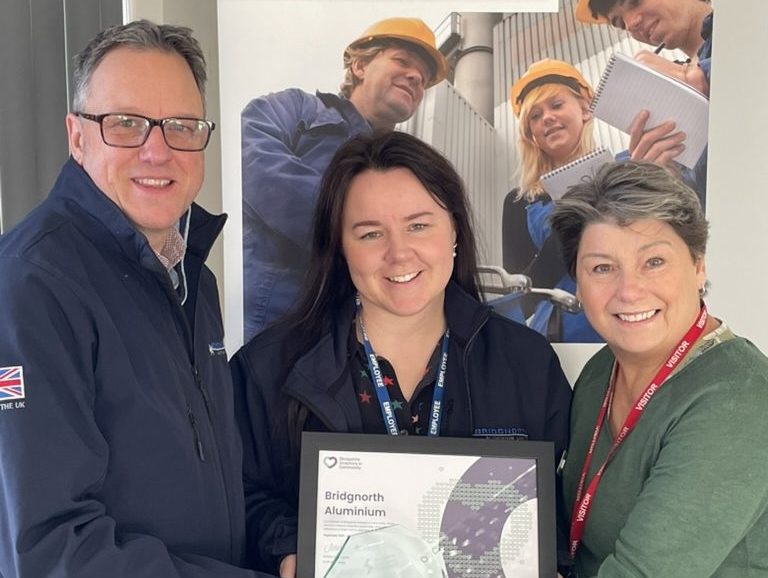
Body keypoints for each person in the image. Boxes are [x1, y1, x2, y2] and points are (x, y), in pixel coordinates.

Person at [231, 131, 574, 577]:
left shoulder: (527, 362)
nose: (398, 254)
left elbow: (560, 511)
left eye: (418, 225)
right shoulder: (269, 367)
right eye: (371, 233)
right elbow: (240, 493)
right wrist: (292, 547)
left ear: (453, 229)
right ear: (339, 246)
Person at [0, 20, 273, 578]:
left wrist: (283, 544)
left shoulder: (192, 278)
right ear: (77, 137)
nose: (158, 150)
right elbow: (51, 551)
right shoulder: (30, 285)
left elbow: (218, 477)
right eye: (125, 124)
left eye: (181, 125)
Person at [550, 161, 768, 577]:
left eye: (653, 262)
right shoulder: (601, 373)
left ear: (698, 266)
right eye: (602, 268)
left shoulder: (739, 398)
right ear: (578, 283)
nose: (629, 290)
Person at [240, 17, 449, 340]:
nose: (415, 78)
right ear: (360, 66)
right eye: (403, 61)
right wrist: (351, 226)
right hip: (277, 319)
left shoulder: (410, 164)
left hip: (357, 335)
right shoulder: (297, 110)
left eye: (422, 78)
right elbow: (252, 158)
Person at [576, 0, 712, 205]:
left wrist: (692, 77)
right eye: (620, 23)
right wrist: (670, 183)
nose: (630, 24)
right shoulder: (672, 98)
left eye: (633, 1)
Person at [506, 59, 604, 342]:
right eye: (535, 116)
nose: (547, 117)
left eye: (556, 105)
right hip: (563, 336)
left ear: (585, 110)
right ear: (531, 135)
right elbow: (518, 299)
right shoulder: (519, 203)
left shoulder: (627, 168)